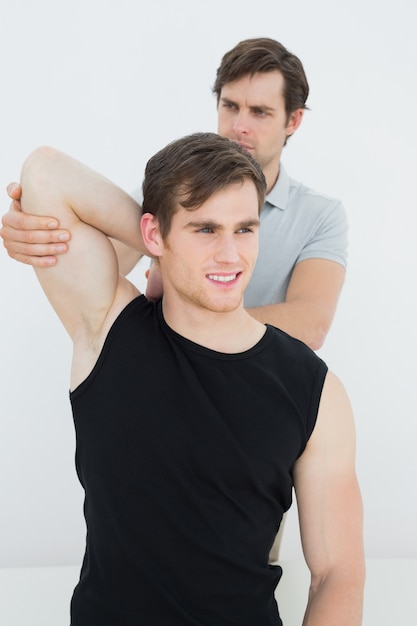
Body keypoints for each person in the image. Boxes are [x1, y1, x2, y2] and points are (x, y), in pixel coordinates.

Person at [15, 133, 364, 625]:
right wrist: (164, 248)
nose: (230, 255)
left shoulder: (314, 390)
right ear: (153, 235)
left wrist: (181, 243)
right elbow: (46, 171)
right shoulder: (108, 329)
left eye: (245, 229)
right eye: (205, 229)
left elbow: (337, 573)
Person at [0, 37, 348, 352]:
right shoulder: (173, 192)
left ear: (293, 121)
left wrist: (196, 318)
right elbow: (105, 268)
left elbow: (310, 325)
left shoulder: (320, 215)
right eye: (230, 106)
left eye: (260, 112)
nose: (240, 125)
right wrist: (38, 226)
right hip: (166, 374)